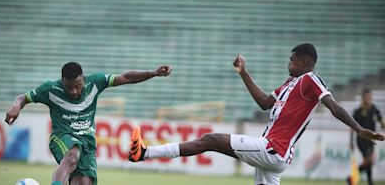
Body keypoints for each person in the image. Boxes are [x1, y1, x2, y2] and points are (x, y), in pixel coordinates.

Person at [127, 43, 385, 185]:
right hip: (276, 155)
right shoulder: (290, 83)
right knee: (211, 141)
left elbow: (334, 106)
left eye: (293, 60)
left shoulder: (310, 79)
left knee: (210, 140)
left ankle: (145, 153)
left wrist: (358, 128)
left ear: (305, 62)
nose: (289, 63)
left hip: (274, 149)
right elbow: (263, 102)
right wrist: (244, 73)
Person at [5, 62, 172, 185]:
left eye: (77, 86)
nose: (73, 91)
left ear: (83, 79)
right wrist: (15, 107)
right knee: (72, 155)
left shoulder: (96, 82)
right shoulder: (50, 89)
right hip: (63, 136)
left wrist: (153, 73)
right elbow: (23, 98)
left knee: (84, 182)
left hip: (88, 143)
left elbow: (126, 77)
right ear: (62, 81)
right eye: (68, 87)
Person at [348, 88, 385, 185]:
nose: (368, 99)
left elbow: (381, 122)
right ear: (363, 98)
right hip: (361, 139)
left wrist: (383, 124)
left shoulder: (374, 109)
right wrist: (351, 142)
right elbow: (352, 127)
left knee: (369, 162)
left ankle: (353, 179)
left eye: (370, 97)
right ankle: (361, 179)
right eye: (367, 97)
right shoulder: (358, 111)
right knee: (369, 160)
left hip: (372, 139)